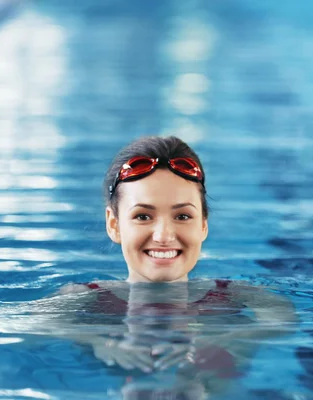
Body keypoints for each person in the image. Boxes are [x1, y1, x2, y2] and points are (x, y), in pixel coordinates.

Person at [51, 136, 297, 397]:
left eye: (182, 216)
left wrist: (223, 341)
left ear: (203, 224)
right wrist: (98, 343)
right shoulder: (83, 297)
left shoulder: (236, 297)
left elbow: (283, 320)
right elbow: (27, 325)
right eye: (143, 216)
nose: (164, 235)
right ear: (114, 225)